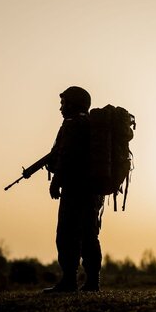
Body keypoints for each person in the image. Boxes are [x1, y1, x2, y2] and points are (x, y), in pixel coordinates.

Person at [44, 86, 104, 293]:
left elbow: (67, 156)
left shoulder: (72, 124)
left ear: (74, 103)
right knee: (90, 235)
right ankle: (93, 282)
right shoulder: (91, 125)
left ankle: (69, 281)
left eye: (64, 103)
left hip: (75, 190)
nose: (61, 107)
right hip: (94, 191)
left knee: (67, 235)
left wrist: (56, 181)